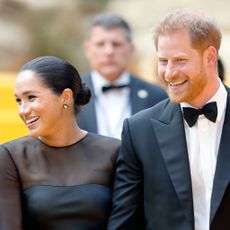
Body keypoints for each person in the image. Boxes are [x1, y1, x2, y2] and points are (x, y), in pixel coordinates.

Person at [108, 8, 230, 230]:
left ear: (210, 57)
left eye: (180, 60)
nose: (169, 73)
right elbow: (124, 221)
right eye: (163, 61)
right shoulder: (139, 131)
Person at [0, 56, 120, 230]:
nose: (23, 110)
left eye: (31, 97)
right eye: (19, 100)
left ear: (66, 97)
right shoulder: (10, 156)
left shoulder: (114, 151)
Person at [77, 12, 167, 139]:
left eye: (116, 44)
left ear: (131, 49)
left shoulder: (159, 96)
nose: (109, 52)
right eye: (100, 44)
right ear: (88, 49)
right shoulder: (70, 95)